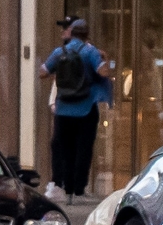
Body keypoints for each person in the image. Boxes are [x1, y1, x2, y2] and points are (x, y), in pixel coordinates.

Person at [38, 14, 116, 202]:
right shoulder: (91, 52)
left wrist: (62, 75)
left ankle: (64, 186)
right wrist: (105, 59)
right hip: (86, 107)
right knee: (83, 148)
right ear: (87, 34)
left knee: (64, 147)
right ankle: (79, 189)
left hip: (63, 107)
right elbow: (103, 71)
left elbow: (42, 72)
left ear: (71, 34)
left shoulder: (59, 52)